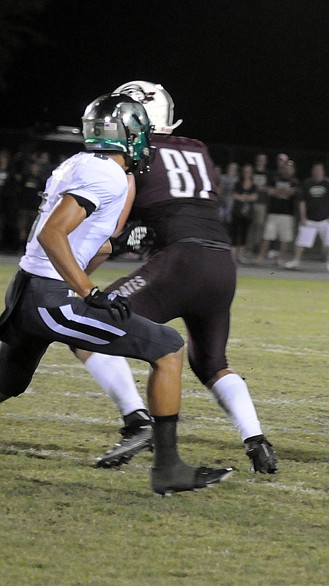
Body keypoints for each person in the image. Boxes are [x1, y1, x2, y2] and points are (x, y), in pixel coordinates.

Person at [0, 93, 233, 494]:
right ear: (131, 134)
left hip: (28, 291)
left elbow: (85, 244)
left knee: (9, 381)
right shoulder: (107, 173)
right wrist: (89, 292)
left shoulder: (77, 164)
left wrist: (118, 244)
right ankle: (168, 469)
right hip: (48, 297)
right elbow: (53, 234)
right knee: (169, 347)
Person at [77, 81, 277, 474]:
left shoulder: (136, 153)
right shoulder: (198, 149)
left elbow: (116, 228)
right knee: (212, 362)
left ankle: (136, 422)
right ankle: (256, 441)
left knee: (85, 325)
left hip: (179, 261)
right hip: (221, 262)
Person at [284, 162, 329, 272]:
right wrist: (303, 217)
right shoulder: (307, 183)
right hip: (310, 219)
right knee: (301, 241)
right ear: (313, 171)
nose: (317, 172)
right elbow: (302, 202)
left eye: (319, 170)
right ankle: (295, 261)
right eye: (315, 170)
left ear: (323, 171)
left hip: (325, 219)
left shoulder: (328, 183)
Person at [257, 153, 299, 267]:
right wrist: (285, 191)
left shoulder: (295, 181)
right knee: (267, 236)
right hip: (273, 212)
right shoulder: (275, 178)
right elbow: (269, 191)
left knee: (284, 239)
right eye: (286, 167)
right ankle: (261, 256)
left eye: (290, 168)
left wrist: (278, 191)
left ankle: (280, 258)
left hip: (287, 213)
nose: (287, 169)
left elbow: (293, 192)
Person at [231, 163, 258, 263]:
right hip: (237, 211)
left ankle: (240, 255)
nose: (247, 173)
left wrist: (242, 197)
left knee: (244, 233)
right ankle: (233, 255)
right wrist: (246, 198)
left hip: (248, 212)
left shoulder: (254, 185)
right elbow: (235, 196)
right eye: (245, 171)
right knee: (234, 232)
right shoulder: (238, 183)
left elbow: (254, 197)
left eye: (249, 171)